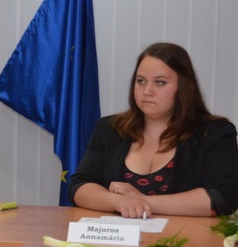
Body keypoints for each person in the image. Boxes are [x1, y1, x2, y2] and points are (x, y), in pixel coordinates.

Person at [69, 42, 238, 218]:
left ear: (183, 87)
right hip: (120, 235)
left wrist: (143, 201)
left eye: (160, 82)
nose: (147, 91)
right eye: (141, 81)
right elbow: (79, 186)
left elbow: (223, 197)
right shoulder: (110, 128)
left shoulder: (215, 133)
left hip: (185, 235)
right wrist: (118, 202)